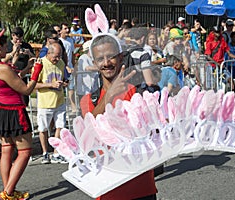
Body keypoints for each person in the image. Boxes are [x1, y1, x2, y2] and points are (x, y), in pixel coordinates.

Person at [80, 34, 157, 200]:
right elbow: (87, 131)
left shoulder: (138, 94)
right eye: (100, 58)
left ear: (121, 58)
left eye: (111, 56)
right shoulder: (89, 100)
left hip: (141, 186)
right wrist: (108, 96)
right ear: (94, 63)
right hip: (107, 188)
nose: (106, 63)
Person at [0, 29, 43, 200]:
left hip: (2, 110)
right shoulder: (1, 67)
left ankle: (9, 191)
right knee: (24, 152)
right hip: (14, 112)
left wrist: (27, 68)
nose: (7, 48)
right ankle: (7, 193)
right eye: (5, 46)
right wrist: (37, 71)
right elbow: (26, 89)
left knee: (6, 151)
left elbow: (12, 80)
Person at [35, 43, 68, 164]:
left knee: (60, 126)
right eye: (56, 56)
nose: (57, 59)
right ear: (49, 53)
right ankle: (45, 153)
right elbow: (34, 85)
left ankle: (56, 152)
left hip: (59, 101)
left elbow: (63, 78)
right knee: (43, 129)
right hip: (45, 103)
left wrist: (64, 83)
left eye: (59, 56)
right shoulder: (41, 63)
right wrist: (50, 84)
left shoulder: (61, 63)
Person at [5, 27, 35, 106]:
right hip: (10, 75)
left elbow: (34, 58)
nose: (18, 41)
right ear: (12, 35)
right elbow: (4, 59)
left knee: (24, 99)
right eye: (16, 39)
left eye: (20, 38)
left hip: (23, 75)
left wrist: (29, 53)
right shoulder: (7, 45)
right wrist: (14, 52)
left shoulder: (26, 45)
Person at [59, 22, 77, 112]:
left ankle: (73, 105)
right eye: (65, 28)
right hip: (62, 67)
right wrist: (65, 66)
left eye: (68, 28)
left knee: (71, 87)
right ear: (60, 30)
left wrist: (73, 65)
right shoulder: (59, 41)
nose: (67, 30)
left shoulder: (70, 40)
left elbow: (72, 54)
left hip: (70, 67)